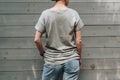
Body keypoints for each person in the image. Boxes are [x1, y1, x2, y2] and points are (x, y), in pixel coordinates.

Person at [34, 0, 84, 80]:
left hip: (52, 60)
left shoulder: (45, 14)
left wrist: (42, 54)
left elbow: (37, 39)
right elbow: (79, 41)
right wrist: (79, 57)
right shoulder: (73, 14)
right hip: (71, 59)